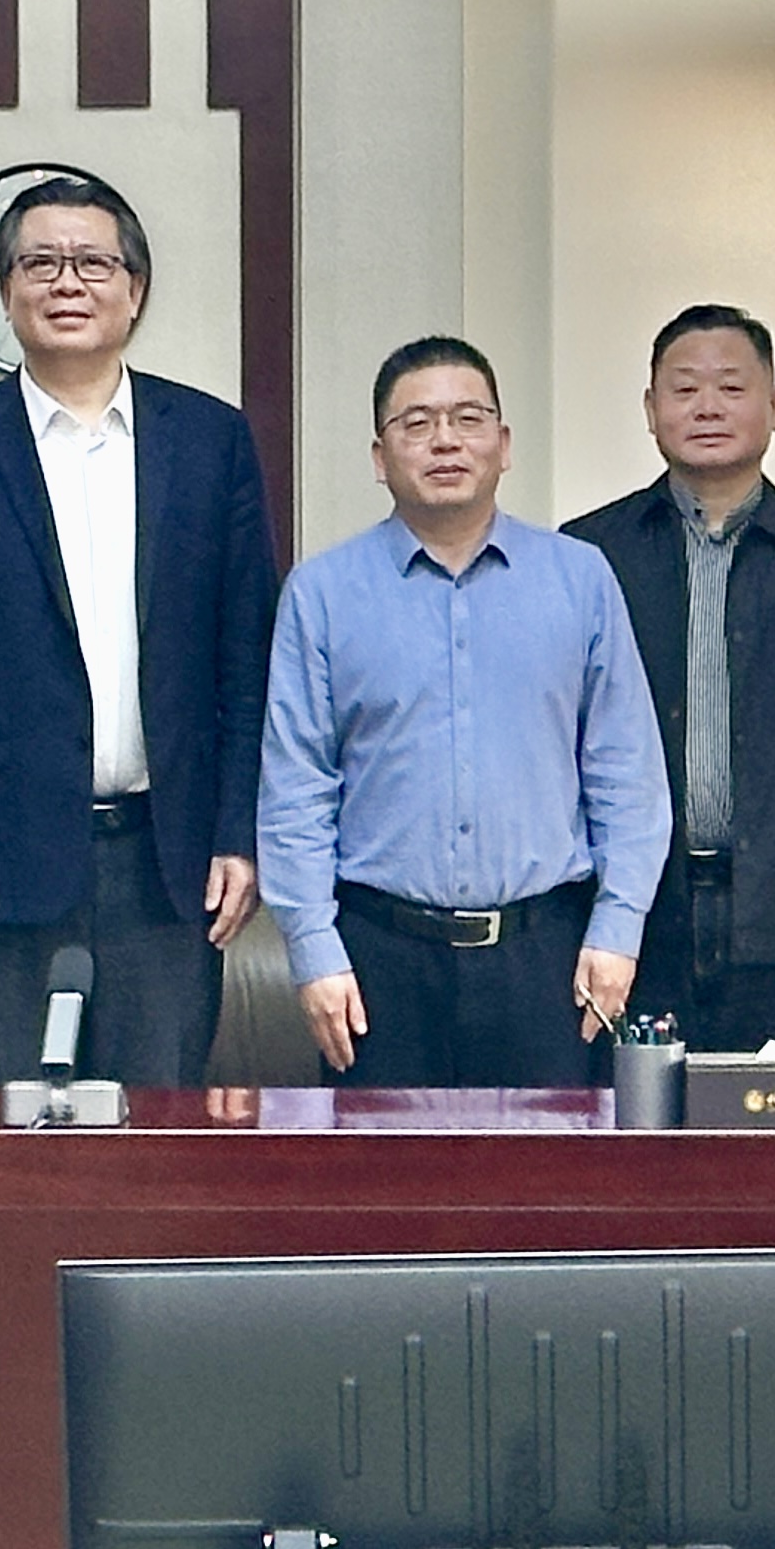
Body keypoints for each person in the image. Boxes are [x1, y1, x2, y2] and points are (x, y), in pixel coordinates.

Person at [0, 174, 278, 1088]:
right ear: (6, 289)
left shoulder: (210, 441)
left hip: (168, 864)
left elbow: (246, 666)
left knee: (158, 1139)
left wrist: (239, 832)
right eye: (40, 263)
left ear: (134, 289)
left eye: (93, 262)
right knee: (9, 1141)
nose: (67, 282)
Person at [260, 337, 668, 1087]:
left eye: (467, 418)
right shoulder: (321, 594)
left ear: (503, 445)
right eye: (416, 423)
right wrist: (313, 949)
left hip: (547, 956)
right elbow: (297, 787)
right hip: (376, 961)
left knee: (547, 1164)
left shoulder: (580, 579)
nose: (444, 440)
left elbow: (625, 770)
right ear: (379, 456)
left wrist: (617, 928)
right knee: (382, 1166)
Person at [566, 304, 775, 1051]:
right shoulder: (588, 557)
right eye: (684, 388)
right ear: (650, 409)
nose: (708, 407)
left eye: (731, 387)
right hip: (630, 933)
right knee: (630, 1127)